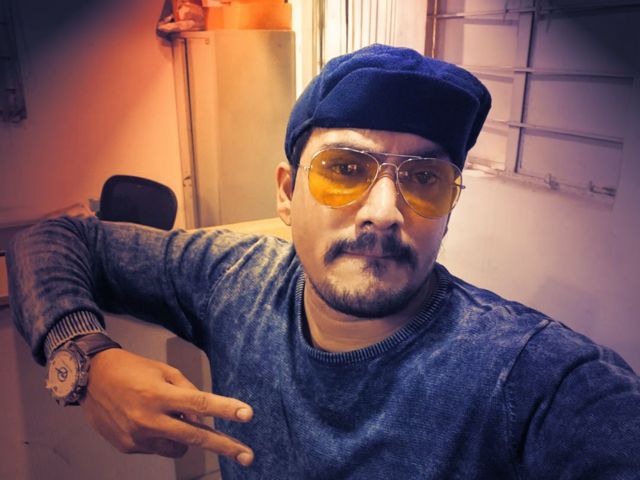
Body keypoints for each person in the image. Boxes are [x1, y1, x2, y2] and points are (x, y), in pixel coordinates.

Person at [7, 44, 640, 479]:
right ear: (287, 193)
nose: (385, 212)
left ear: (449, 205)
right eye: (345, 169)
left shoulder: (538, 380)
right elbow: (50, 239)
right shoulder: (235, 277)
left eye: (424, 178)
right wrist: (86, 361)